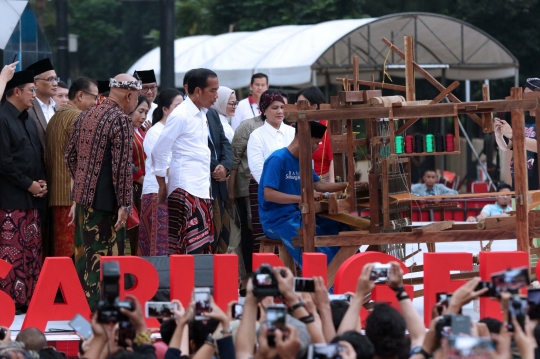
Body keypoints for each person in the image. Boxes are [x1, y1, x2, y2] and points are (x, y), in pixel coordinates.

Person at [64, 74, 139, 307]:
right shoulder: (120, 120)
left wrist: (83, 182)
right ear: (129, 95)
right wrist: (125, 205)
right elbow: (121, 169)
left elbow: (70, 157)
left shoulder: (86, 115)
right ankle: (100, 318)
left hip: (85, 200)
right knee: (106, 263)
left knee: (85, 260)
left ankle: (82, 316)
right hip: (108, 205)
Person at [258, 121, 349, 267]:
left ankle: (352, 278)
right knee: (318, 247)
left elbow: (319, 184)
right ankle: (325, 286)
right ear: (303, 138)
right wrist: (303, 198)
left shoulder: (303, 161)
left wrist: (347, 185)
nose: (317, 147)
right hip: (276, 220)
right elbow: (269, 194)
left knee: (339, 229)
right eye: (316, 143)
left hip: (298, 215)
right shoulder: (277, 159)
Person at [150, 68, 218, 254]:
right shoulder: (180, 115)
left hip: (202, 187)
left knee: (201, 247)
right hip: (184, 188)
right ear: (197, 91)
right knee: (184, 247)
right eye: (212, 90)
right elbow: (159, 150)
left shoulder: (202, 113)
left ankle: (196, 284)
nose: (216, 96)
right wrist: (162, 183)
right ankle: (182, 283)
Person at [0, 70, 47, 313]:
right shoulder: (2, 117)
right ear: (16, 91)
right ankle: (10, 303)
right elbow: (4, 162)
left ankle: (29, 299)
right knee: (11, 254)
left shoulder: (27, 117)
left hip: (32, 197)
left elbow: (35, 155)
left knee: (31, 252)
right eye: (31, 90)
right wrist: (29, 184)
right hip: (11, 199)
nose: (34, 95)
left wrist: (40, 183)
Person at [45, 77, 99, 257]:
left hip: (57, 194)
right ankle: (68, 285)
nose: (96, 103)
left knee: (61, 248)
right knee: (72, 251)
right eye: (94, 97)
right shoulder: (78, 117)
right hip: (71, 198)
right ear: (81, 95)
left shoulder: (56, 116)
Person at [139, 89, 183, 256]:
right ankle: (153, 280)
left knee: (171, 242)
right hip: (157, 192)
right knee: (158, 243)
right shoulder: (155, 132)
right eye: (177, 106)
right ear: (165, 109)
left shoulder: (178, 131)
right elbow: (160, 165)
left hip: (174, 190)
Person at [494, 77, 539, 190]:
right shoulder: (521, 119)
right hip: (518, 178)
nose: (524, 98)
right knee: (517, 206)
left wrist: (512, 134)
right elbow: (508, 146)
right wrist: (499, 135)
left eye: (529, 94)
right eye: (524, 94)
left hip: (536, 180)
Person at [247, 91, 295, 184]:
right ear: (264, 110)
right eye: (275, 108)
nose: (280, 111)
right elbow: (257, 169)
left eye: (282, 107)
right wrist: (272, 187)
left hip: (294, 189)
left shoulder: (293, 132)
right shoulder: (256, 136)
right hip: (270, 189)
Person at [207, 104, 233, 253]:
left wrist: (225, 167)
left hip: (220, 184)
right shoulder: (185, 114)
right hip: (203, 183)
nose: (215, 96)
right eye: (212, 90)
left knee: (223, 235)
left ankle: (218, 274)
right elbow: (196, 147)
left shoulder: (212, 112)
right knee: (209, 236)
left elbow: (224, 142)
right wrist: (217, 167)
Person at [296, 86, 334, 182]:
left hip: (324, 179)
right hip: (300, 179)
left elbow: (333, 160)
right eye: (297, 104)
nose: (299, 107)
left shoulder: (328, 126)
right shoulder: (295, 127)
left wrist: (332, 187)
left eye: (303, 103)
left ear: (315, 106)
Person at [128, 95, 150, 253]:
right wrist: (141, 178)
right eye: (140, 111)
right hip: (133, 188)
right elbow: (125, 161)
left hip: (146, 187)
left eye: (146, 113)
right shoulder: (125, 130)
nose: (143, 117)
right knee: (133, 230)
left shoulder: (142, 131)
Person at [25, 58, 59, 148]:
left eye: (56, 79)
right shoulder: (28, 110)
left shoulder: (58, 108)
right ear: (35, 84)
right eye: (50, 79)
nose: (55, 83)